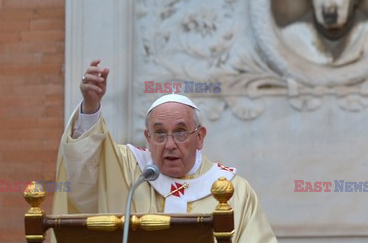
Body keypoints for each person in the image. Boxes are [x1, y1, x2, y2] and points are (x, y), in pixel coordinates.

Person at [51, 60, 278, 243]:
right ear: (148, 138)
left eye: (180, 132)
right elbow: (83, 172)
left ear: (199, 137)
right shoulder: (130, 172)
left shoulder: (233, 190)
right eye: (160, 134)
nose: (170, 144)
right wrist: (90, 107)